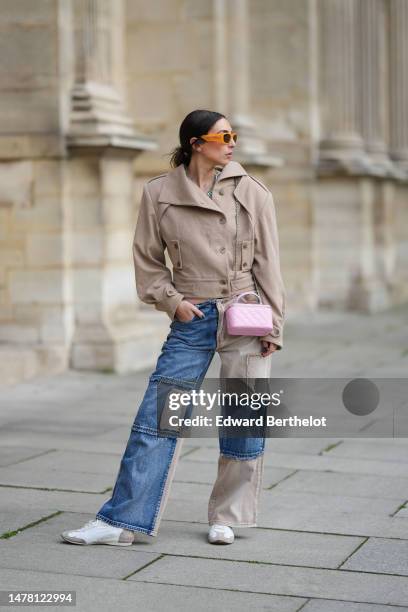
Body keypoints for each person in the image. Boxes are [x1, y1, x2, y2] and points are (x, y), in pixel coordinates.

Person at [61, 109, 286, 547]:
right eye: (224, 136)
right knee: (156, 417)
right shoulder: (159, 193)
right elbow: (146, 258)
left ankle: (228, 515)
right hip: (193, 315)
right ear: (196, 143)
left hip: (246, 313)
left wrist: (273, 325)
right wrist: (173, 301)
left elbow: (269, 264)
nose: (232, 143)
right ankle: (122, 521)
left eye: (234, 135)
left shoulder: (253, 191)